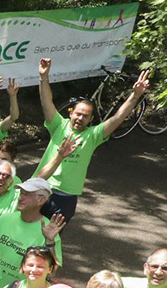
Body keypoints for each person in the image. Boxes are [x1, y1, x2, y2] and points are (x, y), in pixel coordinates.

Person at [36, 57, 150, 221]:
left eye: (85, 116)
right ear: (71, 113)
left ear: (90, 119)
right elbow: (46, 101)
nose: (80, 118)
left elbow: (117, 118)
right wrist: (43, 77)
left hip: (66, 196)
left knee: (51, 240)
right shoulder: (58, 125)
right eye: (78, 113)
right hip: (42, 187)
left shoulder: (93, 135)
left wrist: (135, 95)